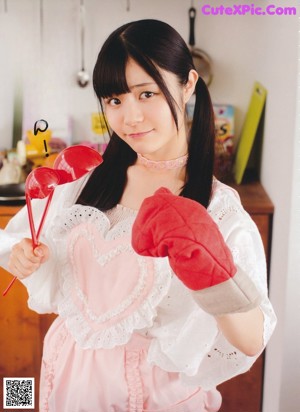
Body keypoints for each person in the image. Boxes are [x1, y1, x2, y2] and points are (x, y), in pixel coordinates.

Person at [0, 19, 276, 412]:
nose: (130, 118)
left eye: (147, 93)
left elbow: (251, 340)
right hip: (68, 376)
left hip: (154, 393)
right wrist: (27, 257)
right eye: (115, 100)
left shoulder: (217, 209)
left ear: (189, 84)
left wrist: (213, 270)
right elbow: (15, 245)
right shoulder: (84, 180)